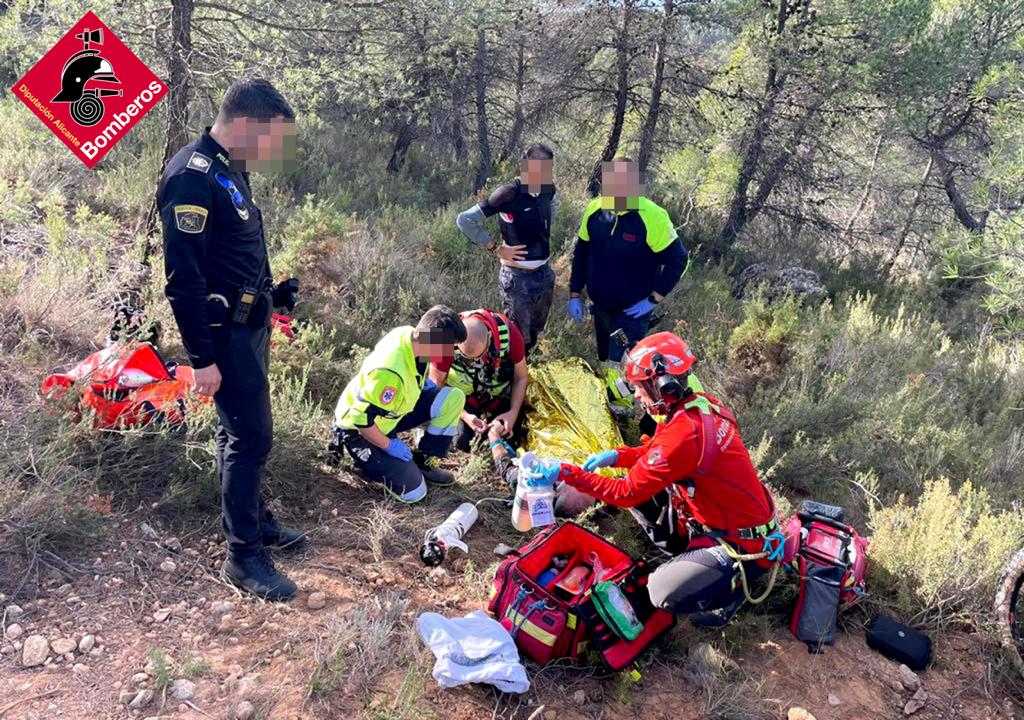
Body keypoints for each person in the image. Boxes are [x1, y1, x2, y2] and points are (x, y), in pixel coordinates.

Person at [158, 79, 303, 601]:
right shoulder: (191, 178)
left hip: (250, 326)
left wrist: (273, 294)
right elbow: (184, 279)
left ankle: (256, 523)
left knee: (236, 435)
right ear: (245, 126)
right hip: (223, 338)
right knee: (251, 438)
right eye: (271, 140)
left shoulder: (232, 170)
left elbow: (238, 250)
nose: (273, 152)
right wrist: (202, 359)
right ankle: (242, 558)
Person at [550, 332, 780, 626]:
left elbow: (625, 493)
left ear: (660, 384)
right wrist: (617, 456)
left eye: (637, 387)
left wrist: (567, 473)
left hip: (742, 548)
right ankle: (688, 554)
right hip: (728, 525)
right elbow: (656, 452)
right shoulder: (700, 407)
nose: (635, 395)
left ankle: (729, 590)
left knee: (658, 592)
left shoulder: (684, 433)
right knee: (643, 483)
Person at [567, 158, 689, 413]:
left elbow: (678, 258)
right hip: (599, 305)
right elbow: (582, 252)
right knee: (605, 359)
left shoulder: (652, 217)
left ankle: (620, 414)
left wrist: (654, 298)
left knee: (623, 364)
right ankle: (611, 398)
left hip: (633, 310)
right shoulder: (595, 210)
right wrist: (575, 293)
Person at [331, 306, 468, 504]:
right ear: (434, 340)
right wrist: (388, 445)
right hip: (358, 429)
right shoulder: (390, 372)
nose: (451, 354)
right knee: (414, 492)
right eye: (449, 347)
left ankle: (423, 459)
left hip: (388, 415)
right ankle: (366, 461)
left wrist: (421, 386)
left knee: (452, 398)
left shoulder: (411, 336)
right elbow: (359, 418)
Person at [456, 144, 558, 354]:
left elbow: (552, 207)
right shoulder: (509, 193)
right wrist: (494, 248)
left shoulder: (548, 189)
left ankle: (525, 370)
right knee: (516, 338)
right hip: (517, 278)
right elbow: (465, 220)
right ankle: (510, 378)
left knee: (535, 332)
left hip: (544, 274)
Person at [433, 309, 529, 453]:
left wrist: (513, 412)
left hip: (496, 394)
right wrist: (464, 416)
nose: (476, 362)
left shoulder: (510, 333)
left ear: (490, 336)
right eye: (467, 358)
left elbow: (521, 377)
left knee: (514, 434)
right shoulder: (441, 336)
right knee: (462, 442)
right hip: (462, 397)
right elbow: (434, 385)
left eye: (481, 355)